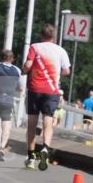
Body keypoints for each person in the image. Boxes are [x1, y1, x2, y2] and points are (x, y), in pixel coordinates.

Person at [23, 24, 71, 171]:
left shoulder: (35, 47)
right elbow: (67, 71)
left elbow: (28, 66)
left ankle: (31, 157)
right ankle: (45, 149)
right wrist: (55, 73)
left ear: (41, 35)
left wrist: (25, 71)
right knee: (48, 121)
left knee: (32, 123)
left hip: (35, 89)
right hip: (52, 91)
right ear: (54, 36)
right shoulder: (61, 50)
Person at [0, 50, 22, 161]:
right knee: (6, 126)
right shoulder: (17, 70)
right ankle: (1, 149)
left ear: (1, 57)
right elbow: (20, 87)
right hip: (8, 100)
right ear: (12, 58)